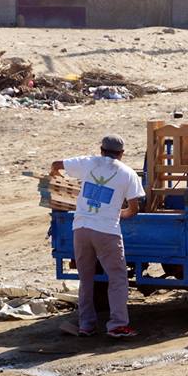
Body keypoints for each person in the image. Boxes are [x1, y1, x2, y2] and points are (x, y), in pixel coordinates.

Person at [50, 134, 143, 338]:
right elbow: (134, 208)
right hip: (107, 231)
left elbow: (56, 164)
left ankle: (86, 325)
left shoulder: (88, 162)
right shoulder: (128, 173)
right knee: (117, 279)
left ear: (101, 150)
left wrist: (55, 179)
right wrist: (119, 213)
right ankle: (117, 325)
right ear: (122, 153)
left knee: (86, 279)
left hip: (81, 228)